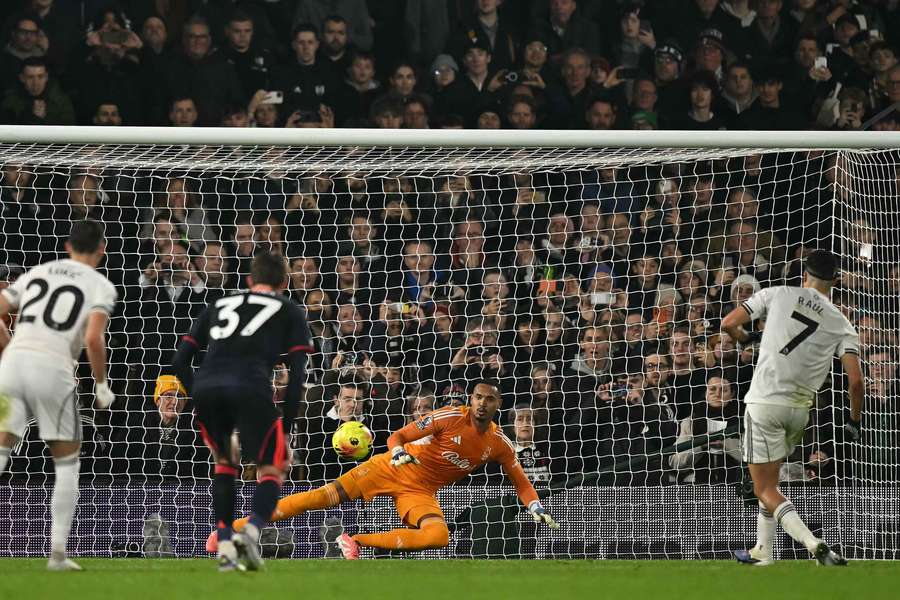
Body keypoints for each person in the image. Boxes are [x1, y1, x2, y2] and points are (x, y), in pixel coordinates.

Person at [206, 379, 558, 558]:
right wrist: (400, 452)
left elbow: (521, 481)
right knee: (323, 497)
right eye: (478, 397)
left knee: (439, 536)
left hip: (419, 491)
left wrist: (535, 506)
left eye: (489, 399)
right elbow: (397, 436)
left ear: (498, 405)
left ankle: (354, 541)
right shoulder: (451, 416)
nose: (482, 404)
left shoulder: (498, 444)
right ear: (471, 400)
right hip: (390, 467)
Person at [167, 251, 312, 571]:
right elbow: (298, 372)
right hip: (251, 388)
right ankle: (252, 530)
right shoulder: (289, 310)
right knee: (273, 467)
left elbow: (179, 361)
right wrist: (286, 426)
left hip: (207, 389)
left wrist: (198, 395)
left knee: (225, 463)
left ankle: (225, 543)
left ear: (248, 281)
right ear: (284, 283)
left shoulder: (218, 305)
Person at [721, 249, 862, 566]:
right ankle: (764, 551)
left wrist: (746, 341)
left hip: (764, 403)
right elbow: (855, 383)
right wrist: (853, 422)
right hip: (799, 412)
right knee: (772, 481)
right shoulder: (842, 323)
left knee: (764, 488)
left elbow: (728, 323)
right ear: (835, 281)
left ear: (804, 276)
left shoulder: (777, 293)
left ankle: (814, 544)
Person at [0, 220, 117, 571]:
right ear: (102, 249)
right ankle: (57, 554)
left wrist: (8, 348)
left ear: (67, 246)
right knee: (66, 462)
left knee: (1, 448)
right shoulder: (100, 285)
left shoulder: (37, 272)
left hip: (12, 369)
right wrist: (100, 383)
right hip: (54, 371)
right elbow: (94, 340)